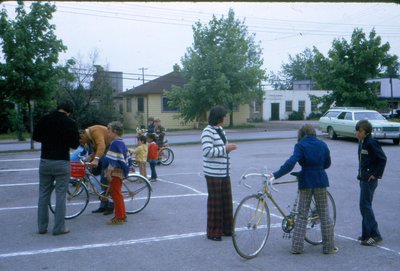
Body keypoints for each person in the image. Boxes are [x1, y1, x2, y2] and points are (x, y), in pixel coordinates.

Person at [271, 124, 337, 254]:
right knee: (324, 215)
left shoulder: (300, 145)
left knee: (302, 215)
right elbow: (327, 163)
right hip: (320, 180)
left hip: (306, 180)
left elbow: (291, 163)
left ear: (302, 133)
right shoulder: (322, 144)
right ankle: (329, 247)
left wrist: (276, 174)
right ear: (313, 132)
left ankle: (296, 247)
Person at [33, 100, 80, 235]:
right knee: (60, 195)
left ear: (58, 107)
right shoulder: (70, 123)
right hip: (62, 162)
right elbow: (75, 145)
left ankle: (42, 227)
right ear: (69, 111)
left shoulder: (45, 119)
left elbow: (36, 136)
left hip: (45, 160)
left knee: (43, 194)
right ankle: (59, 228)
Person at [201, 105, 237, 241]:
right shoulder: (207, 131)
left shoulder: (221, 130)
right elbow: (207, 152)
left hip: (224, 172)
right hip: (213, 173)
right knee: (215, 203)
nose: (226, 117)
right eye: (224, 115)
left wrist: (228, 149)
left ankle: (227, 229)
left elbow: (222, 148)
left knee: (226, 201)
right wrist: (225, 148)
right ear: (219, 117)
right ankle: (213, 232)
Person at [355, 120, 386, 246]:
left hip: (369, 180)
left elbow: (382, 159)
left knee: (365, 206)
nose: (357, 133)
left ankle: (375, 235)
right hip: (363, 179)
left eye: (360, 131)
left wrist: (375, 174)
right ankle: (366, 234)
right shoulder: (362, 142)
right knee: (364, 206)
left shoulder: (371, 142)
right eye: (356, 130)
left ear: (366, 132)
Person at [79, 125, 114, 215]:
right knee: (96, 176)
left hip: (111, 153)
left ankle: (110, 205)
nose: (83, 143)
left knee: (104, 179)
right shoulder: (90, 136)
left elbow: (101, 146)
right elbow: (96, 150)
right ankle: (103, 205)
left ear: (83, 135)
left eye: (82, 141)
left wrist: (96, 159)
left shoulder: (95, 131)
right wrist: (90, 157)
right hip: (106, 153)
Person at [104, 121, 131, 225]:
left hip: (115, 173)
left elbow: (112, 161)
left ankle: (119, 217)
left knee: (116, 195)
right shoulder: (121, 142)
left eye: (109, 130)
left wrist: (108, 174)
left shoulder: (114, 143)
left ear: (114, 131)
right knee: (118, 194)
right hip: (119, 173)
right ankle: (123, 215)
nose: (107, 132)